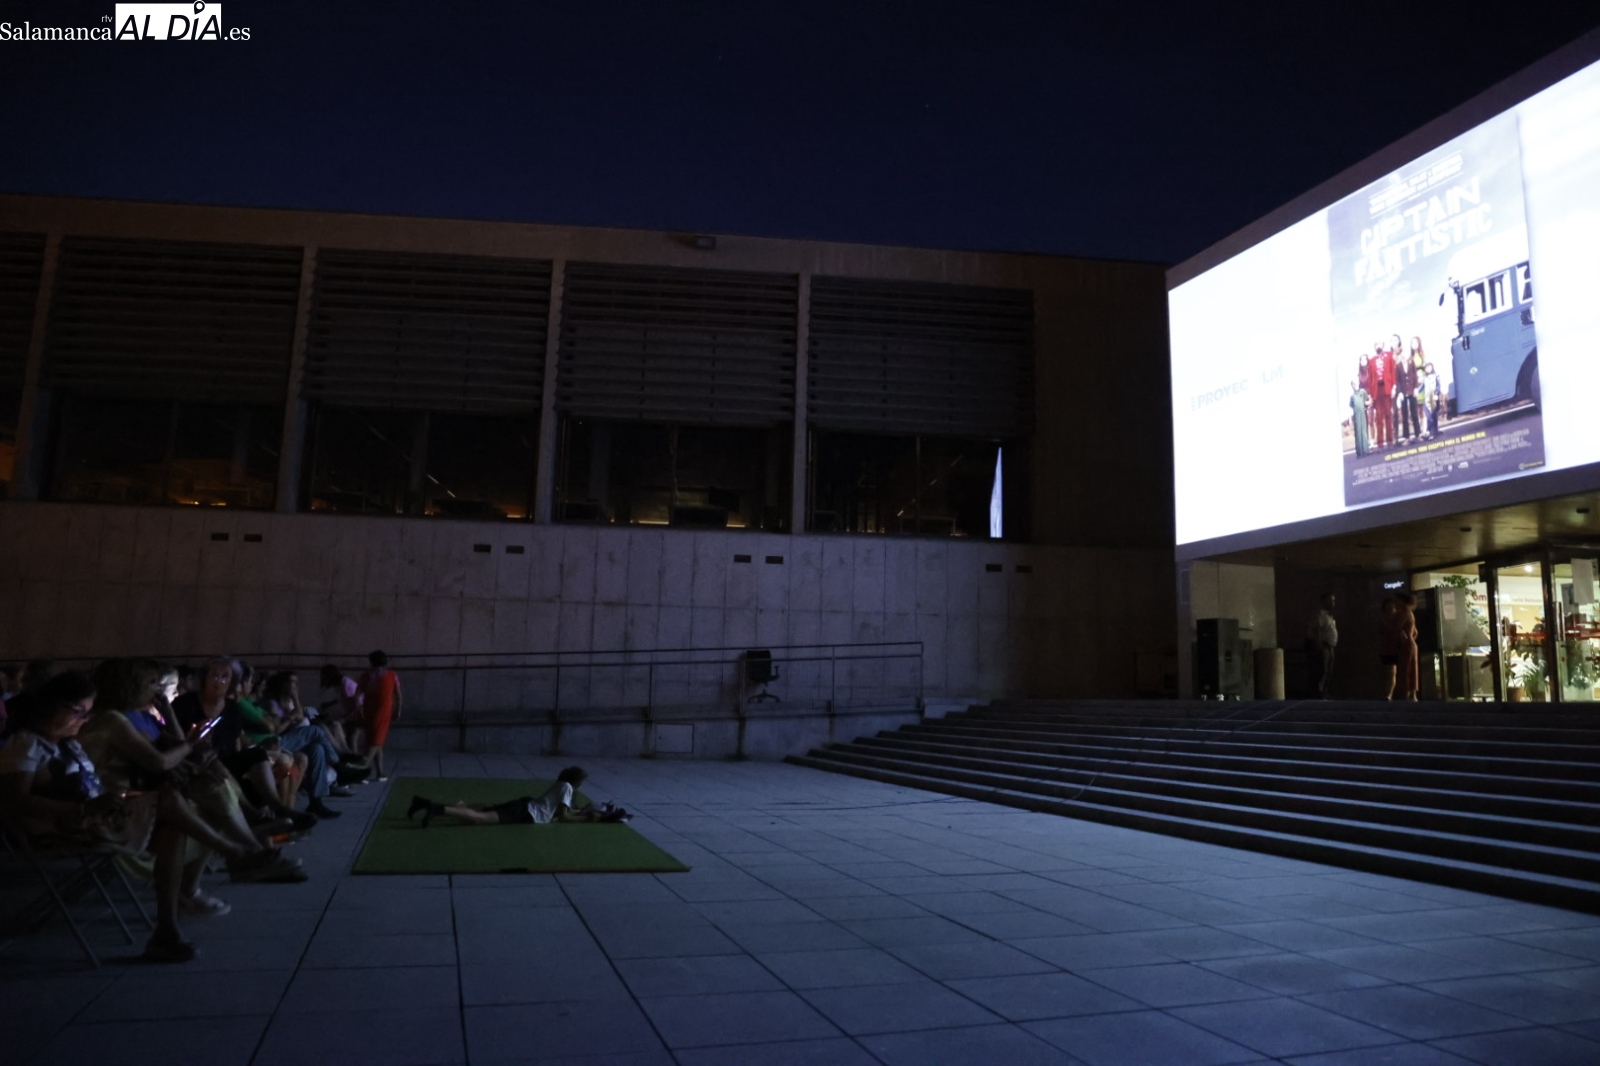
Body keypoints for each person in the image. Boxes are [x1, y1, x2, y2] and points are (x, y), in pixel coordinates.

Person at [0, 672, 253, 962]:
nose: (83, 719)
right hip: (63, 827)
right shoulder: (25, 744)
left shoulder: (67, 743)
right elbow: (14, 801)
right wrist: (83, 809)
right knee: (170, 798)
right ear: (52, 706)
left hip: (92, 818)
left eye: (87, 712)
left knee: (174, 826)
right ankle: (231, 850)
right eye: (78, 711)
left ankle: (166, 932)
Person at [407, 766, 630, 827]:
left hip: (525, 806)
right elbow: (563, 816)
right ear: (577, 782)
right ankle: (436, 809)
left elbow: (563, 809)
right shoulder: (567, 789)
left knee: (479, 812)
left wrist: (583, 811)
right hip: (526, 813)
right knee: (479, 818)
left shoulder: (561, 785)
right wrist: (587, 820)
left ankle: (427, 804)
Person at [359, 651, 401, 783]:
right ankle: (361, 769)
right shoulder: (391, 675)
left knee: (374, 740)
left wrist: (358, 708)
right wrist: (398, 710)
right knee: (376, 742)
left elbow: (358, 693)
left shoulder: (366, 676)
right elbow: (398, 695)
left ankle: (380, 771)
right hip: (384, 712)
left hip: (369, 711)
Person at [1305, 593, 1338, 698]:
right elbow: (1316, 630)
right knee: (1321, 670)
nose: (1332, 603)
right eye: (1330, 601)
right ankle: (1317, 692)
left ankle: (1325, 691)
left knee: (1329, 670)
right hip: (1323, 646)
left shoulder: (1329, 615)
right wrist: (1319, 646)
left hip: (1330, 646)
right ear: (1323, 601)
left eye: (1333, 601)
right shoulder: (1319, 614)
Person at [1394, 592, 1420, 702]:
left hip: (1407, 645)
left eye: (1397, 601)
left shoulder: (1404, 613)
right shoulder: (1409, 613)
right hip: (1411, 643)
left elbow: (1396, 627)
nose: (1395, 603)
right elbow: (1415, 632)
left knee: (1406, 669)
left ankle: (1406, 693)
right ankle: (1412, 693)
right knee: (1411, 668)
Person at [1348, 380, 1370, 458]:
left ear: (1358, 383)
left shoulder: (1363, 392)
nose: (1355, 385)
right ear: (1352, 386)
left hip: (1363, 414)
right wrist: (1350, 419)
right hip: (1356, 416)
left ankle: (1366, 450)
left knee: (1364, 431)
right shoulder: (1352, 397)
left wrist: (1369, 404)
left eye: (1356, 383)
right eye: (1353, 384)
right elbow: (1350, 408)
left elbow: (1368, 400)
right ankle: (1359, 452)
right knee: (1358, 433)